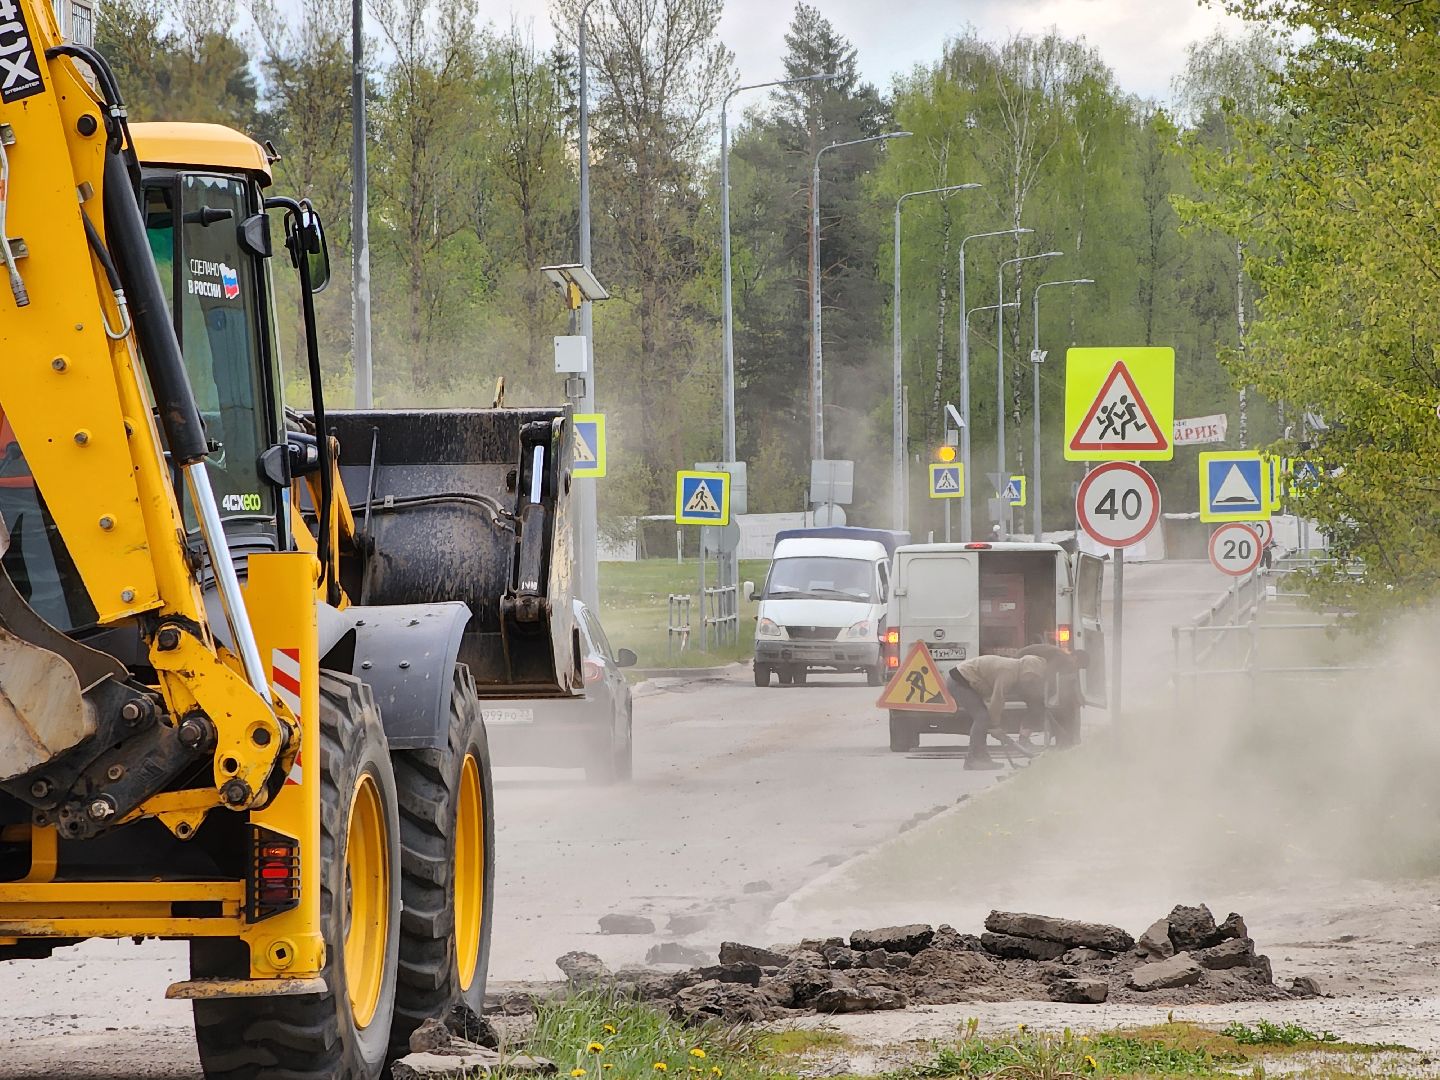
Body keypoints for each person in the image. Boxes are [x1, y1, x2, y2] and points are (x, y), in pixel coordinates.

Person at [946, 654, 1048, 770]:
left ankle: (982, 758)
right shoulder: (1009, 672)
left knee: (984, 717)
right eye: (1032, 676)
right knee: (981, 717)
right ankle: (973, 759)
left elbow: (992, 699)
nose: (1032, 680)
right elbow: (997, 699)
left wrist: (995, 724)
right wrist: (994, 725)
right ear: (1027, 670)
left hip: (968, 681)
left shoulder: (1015, 669)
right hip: (959, 680)